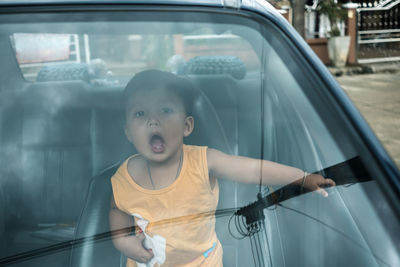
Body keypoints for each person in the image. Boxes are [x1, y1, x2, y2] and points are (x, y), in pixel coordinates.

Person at [109, 70, 336, 267]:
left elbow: (252, 170)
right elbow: (117, 209)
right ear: (128, 132)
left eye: (165, 110)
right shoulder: (125, 176)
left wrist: (301, 178)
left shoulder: (204, 161)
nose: (153, 121)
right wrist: (122, 241)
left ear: (187, 126)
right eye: (140, 113)